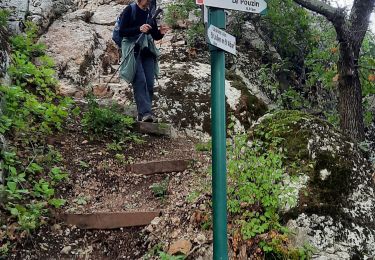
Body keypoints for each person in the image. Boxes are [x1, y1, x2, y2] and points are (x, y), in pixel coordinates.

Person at [119, 0, 168, 122]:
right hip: (133, 49)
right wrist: (139, 29)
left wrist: (161, 33)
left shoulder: (149, 14)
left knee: (150, 83)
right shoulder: (130, 10)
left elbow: (154, 34)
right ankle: (146, 113)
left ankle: (144, 114)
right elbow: (122, 31)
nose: (150, 2)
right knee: (140, 81)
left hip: (147, 50)